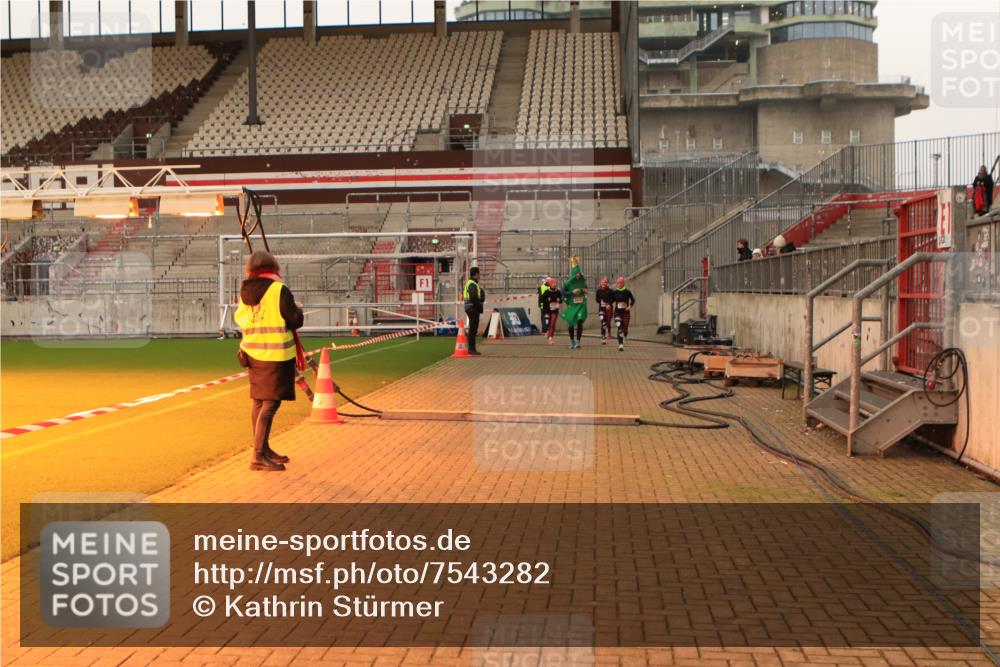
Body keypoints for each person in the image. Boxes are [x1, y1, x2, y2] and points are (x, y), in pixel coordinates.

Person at [234, 250, 304, 472]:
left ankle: (263, 449)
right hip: (275, 355)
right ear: (273, 267)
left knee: (258, 402)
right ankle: (258, 456)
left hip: (252, 353)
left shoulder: (245, 290)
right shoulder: (278, 289)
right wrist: (298, 308)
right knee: (270, 404)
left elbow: (241, 318)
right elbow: (293, 319)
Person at [561, 256, 588, 349]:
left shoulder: (583, 281)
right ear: (573, 273)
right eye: (576, 273)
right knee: (571, 323)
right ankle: (572, 340)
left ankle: (578, 341)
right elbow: (562, 292)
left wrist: (585, 290)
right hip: (572, 305)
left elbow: (586, 288)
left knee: (580, 322)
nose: (578, 275)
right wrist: (571, 292)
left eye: (578, 273)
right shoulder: (567, 283)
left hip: (581, 304)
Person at [463, 266, 484, 356]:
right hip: (472, 308)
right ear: (476, 274)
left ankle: (472, 348)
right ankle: (471, 349)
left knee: (473, 329)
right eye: (479, 273)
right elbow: (474, 298)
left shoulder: (472, 283)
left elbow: (479, 297)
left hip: (470, 307)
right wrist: (480, 307)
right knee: (473, 329)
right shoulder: (472, 284)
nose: (480, 275)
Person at [611, 276, 636, 351]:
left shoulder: (627, 291)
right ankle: (620, 344)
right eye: (617, 283)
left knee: (625, 327)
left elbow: (633, 300)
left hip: (625, 312)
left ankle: (624, 335)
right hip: (618, 312)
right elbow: (611, 301)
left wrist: (630, 306)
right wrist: (608, 305)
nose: (618, 284)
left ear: (623, 283)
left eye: (619, 283)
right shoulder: (615, 292)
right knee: (619, 326)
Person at [539, 276, 562, 344]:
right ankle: (548, 332)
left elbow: (560, 299)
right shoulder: (547, 292)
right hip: (547, 310)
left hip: (555, 310)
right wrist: (544, 308)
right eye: (553, 284)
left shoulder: (558, 292)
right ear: (550, 284)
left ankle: (550, 338)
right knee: (548, 323)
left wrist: (559, 301)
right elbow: (542, 300)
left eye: (555, 284)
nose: (554, 285)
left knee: (553, 323)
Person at [595, 276, 614, 345]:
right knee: (603, 322)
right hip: (602, 309)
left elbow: (613, 299)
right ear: (600, 283)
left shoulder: (611, 291)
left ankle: (609, 333)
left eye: (605, 282)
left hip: (609, 309)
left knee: (608, 322)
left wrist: (609, 304)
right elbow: (597, 299)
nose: (604, 283)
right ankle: (603, 337)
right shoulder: (598, 291)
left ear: (607, 283)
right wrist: (600, 301)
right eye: (603, 282)